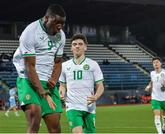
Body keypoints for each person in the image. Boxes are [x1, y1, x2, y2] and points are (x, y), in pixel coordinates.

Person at [13, 4, 66, 133]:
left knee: (55, 128)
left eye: (62, 23)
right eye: (56, 22)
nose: (59, 26)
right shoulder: (30, 32)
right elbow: (29, 66)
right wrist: (42, 92)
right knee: (34, 118)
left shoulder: (61, 36)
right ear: (47, 18)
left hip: (47, 82)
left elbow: (58, 62)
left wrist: (53, 80)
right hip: (28, 80)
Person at [59, 34, 104, 133]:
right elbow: (62, 86)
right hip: (72, 106)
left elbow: (100, 86)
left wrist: (96, 96)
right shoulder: (64, 66)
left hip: (89, 107)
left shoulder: (93, 64)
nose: (77, 46)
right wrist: (61, 93)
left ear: (85, 47)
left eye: (80, 44)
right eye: (74, 44)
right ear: (71, 48)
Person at [145, 57, 165, 134]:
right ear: (153, 65)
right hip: (155, 98)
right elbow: (152, 81)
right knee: (157, 116)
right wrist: (148, 86)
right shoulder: (152, 73)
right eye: (154, 63)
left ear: (160, 63)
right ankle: (160, 133)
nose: (155, 64)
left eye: (157, 62)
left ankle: (164, 127)